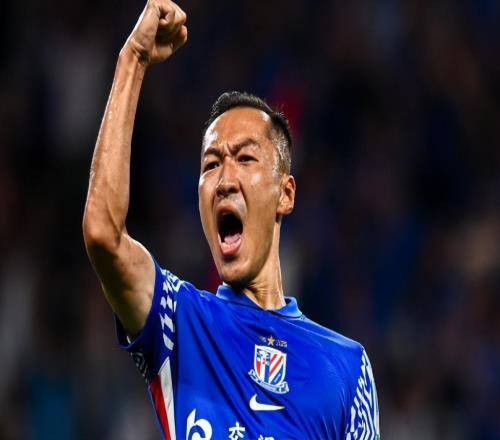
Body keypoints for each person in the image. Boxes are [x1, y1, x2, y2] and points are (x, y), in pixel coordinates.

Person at [82, 1, 380, 439]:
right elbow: (103, 235)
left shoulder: (346, 368)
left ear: (285, 194)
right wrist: (133, 60)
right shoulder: (179, 323)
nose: (224, 180)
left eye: (245, 158)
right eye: (210, 164)